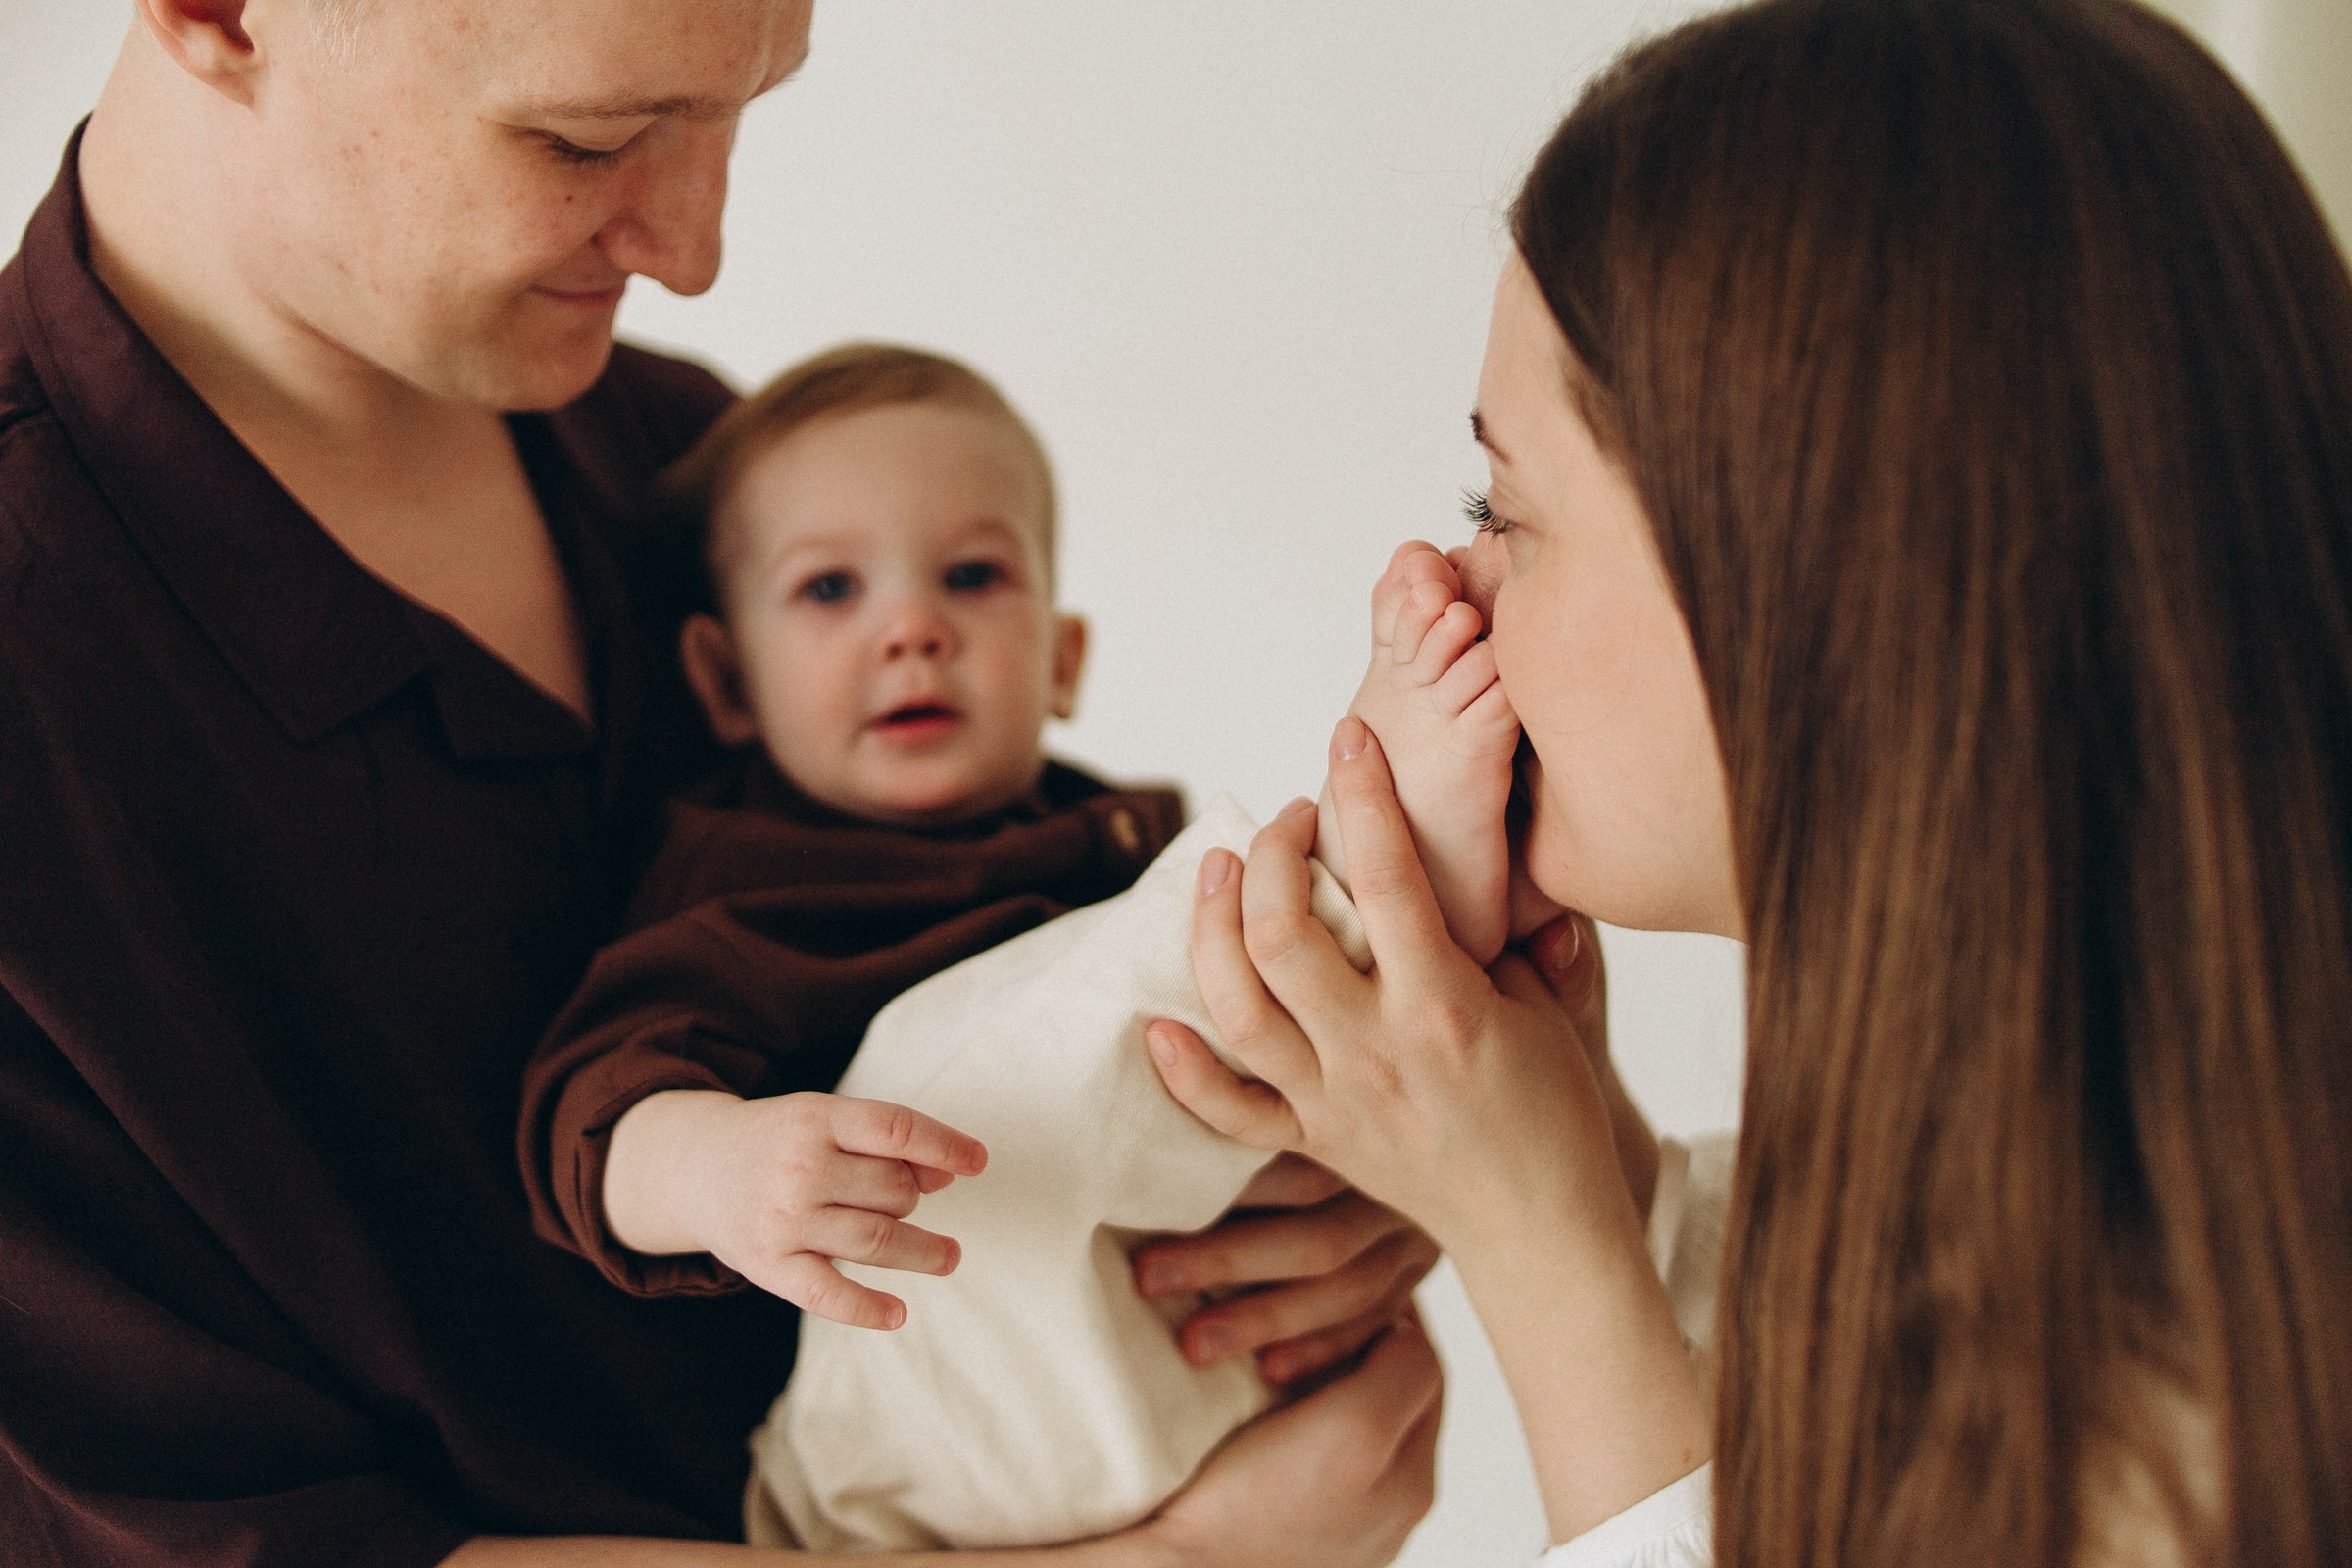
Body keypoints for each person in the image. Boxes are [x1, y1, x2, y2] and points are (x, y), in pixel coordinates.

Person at [0, 2, 1445, 1563]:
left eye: (740, 107)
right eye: (589, 138)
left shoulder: (693, 465)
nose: (694, 252)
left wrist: (1317, 1172)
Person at [1150, 0, 2352, 1565]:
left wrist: (1542, 1250)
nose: (1444, 579)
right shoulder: (2085, 1179)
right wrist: (1586, 1158)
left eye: (1501, 506)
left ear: (1825, 583)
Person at [521, 340, 1538, 1552]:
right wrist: (720, 1168)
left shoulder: (1096, 843)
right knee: (954, 1050)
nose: (912, 629)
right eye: (830, 591)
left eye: (970, 575)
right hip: (896, 1447)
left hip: (1162, 1377)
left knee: (1193, 956)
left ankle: (1395, 922)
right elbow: (585, 1116)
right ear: (728, 683)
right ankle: (1387, 865)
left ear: (1062, 662)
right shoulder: (735, 885)